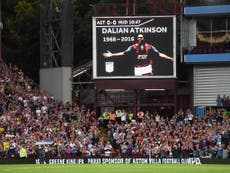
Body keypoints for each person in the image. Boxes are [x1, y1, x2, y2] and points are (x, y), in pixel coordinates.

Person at [103, 34, 173, 76]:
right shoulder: (133, 47)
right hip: (137, 68)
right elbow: (123, 53)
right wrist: (112, 54)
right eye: (138, 37)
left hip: (147, 67)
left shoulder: (149, 46)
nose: (140, 38)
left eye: (141, 37)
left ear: (143, 38)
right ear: (137, 39)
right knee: (139, 87)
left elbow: (159, 54)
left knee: (148, 84)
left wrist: (169, 58)